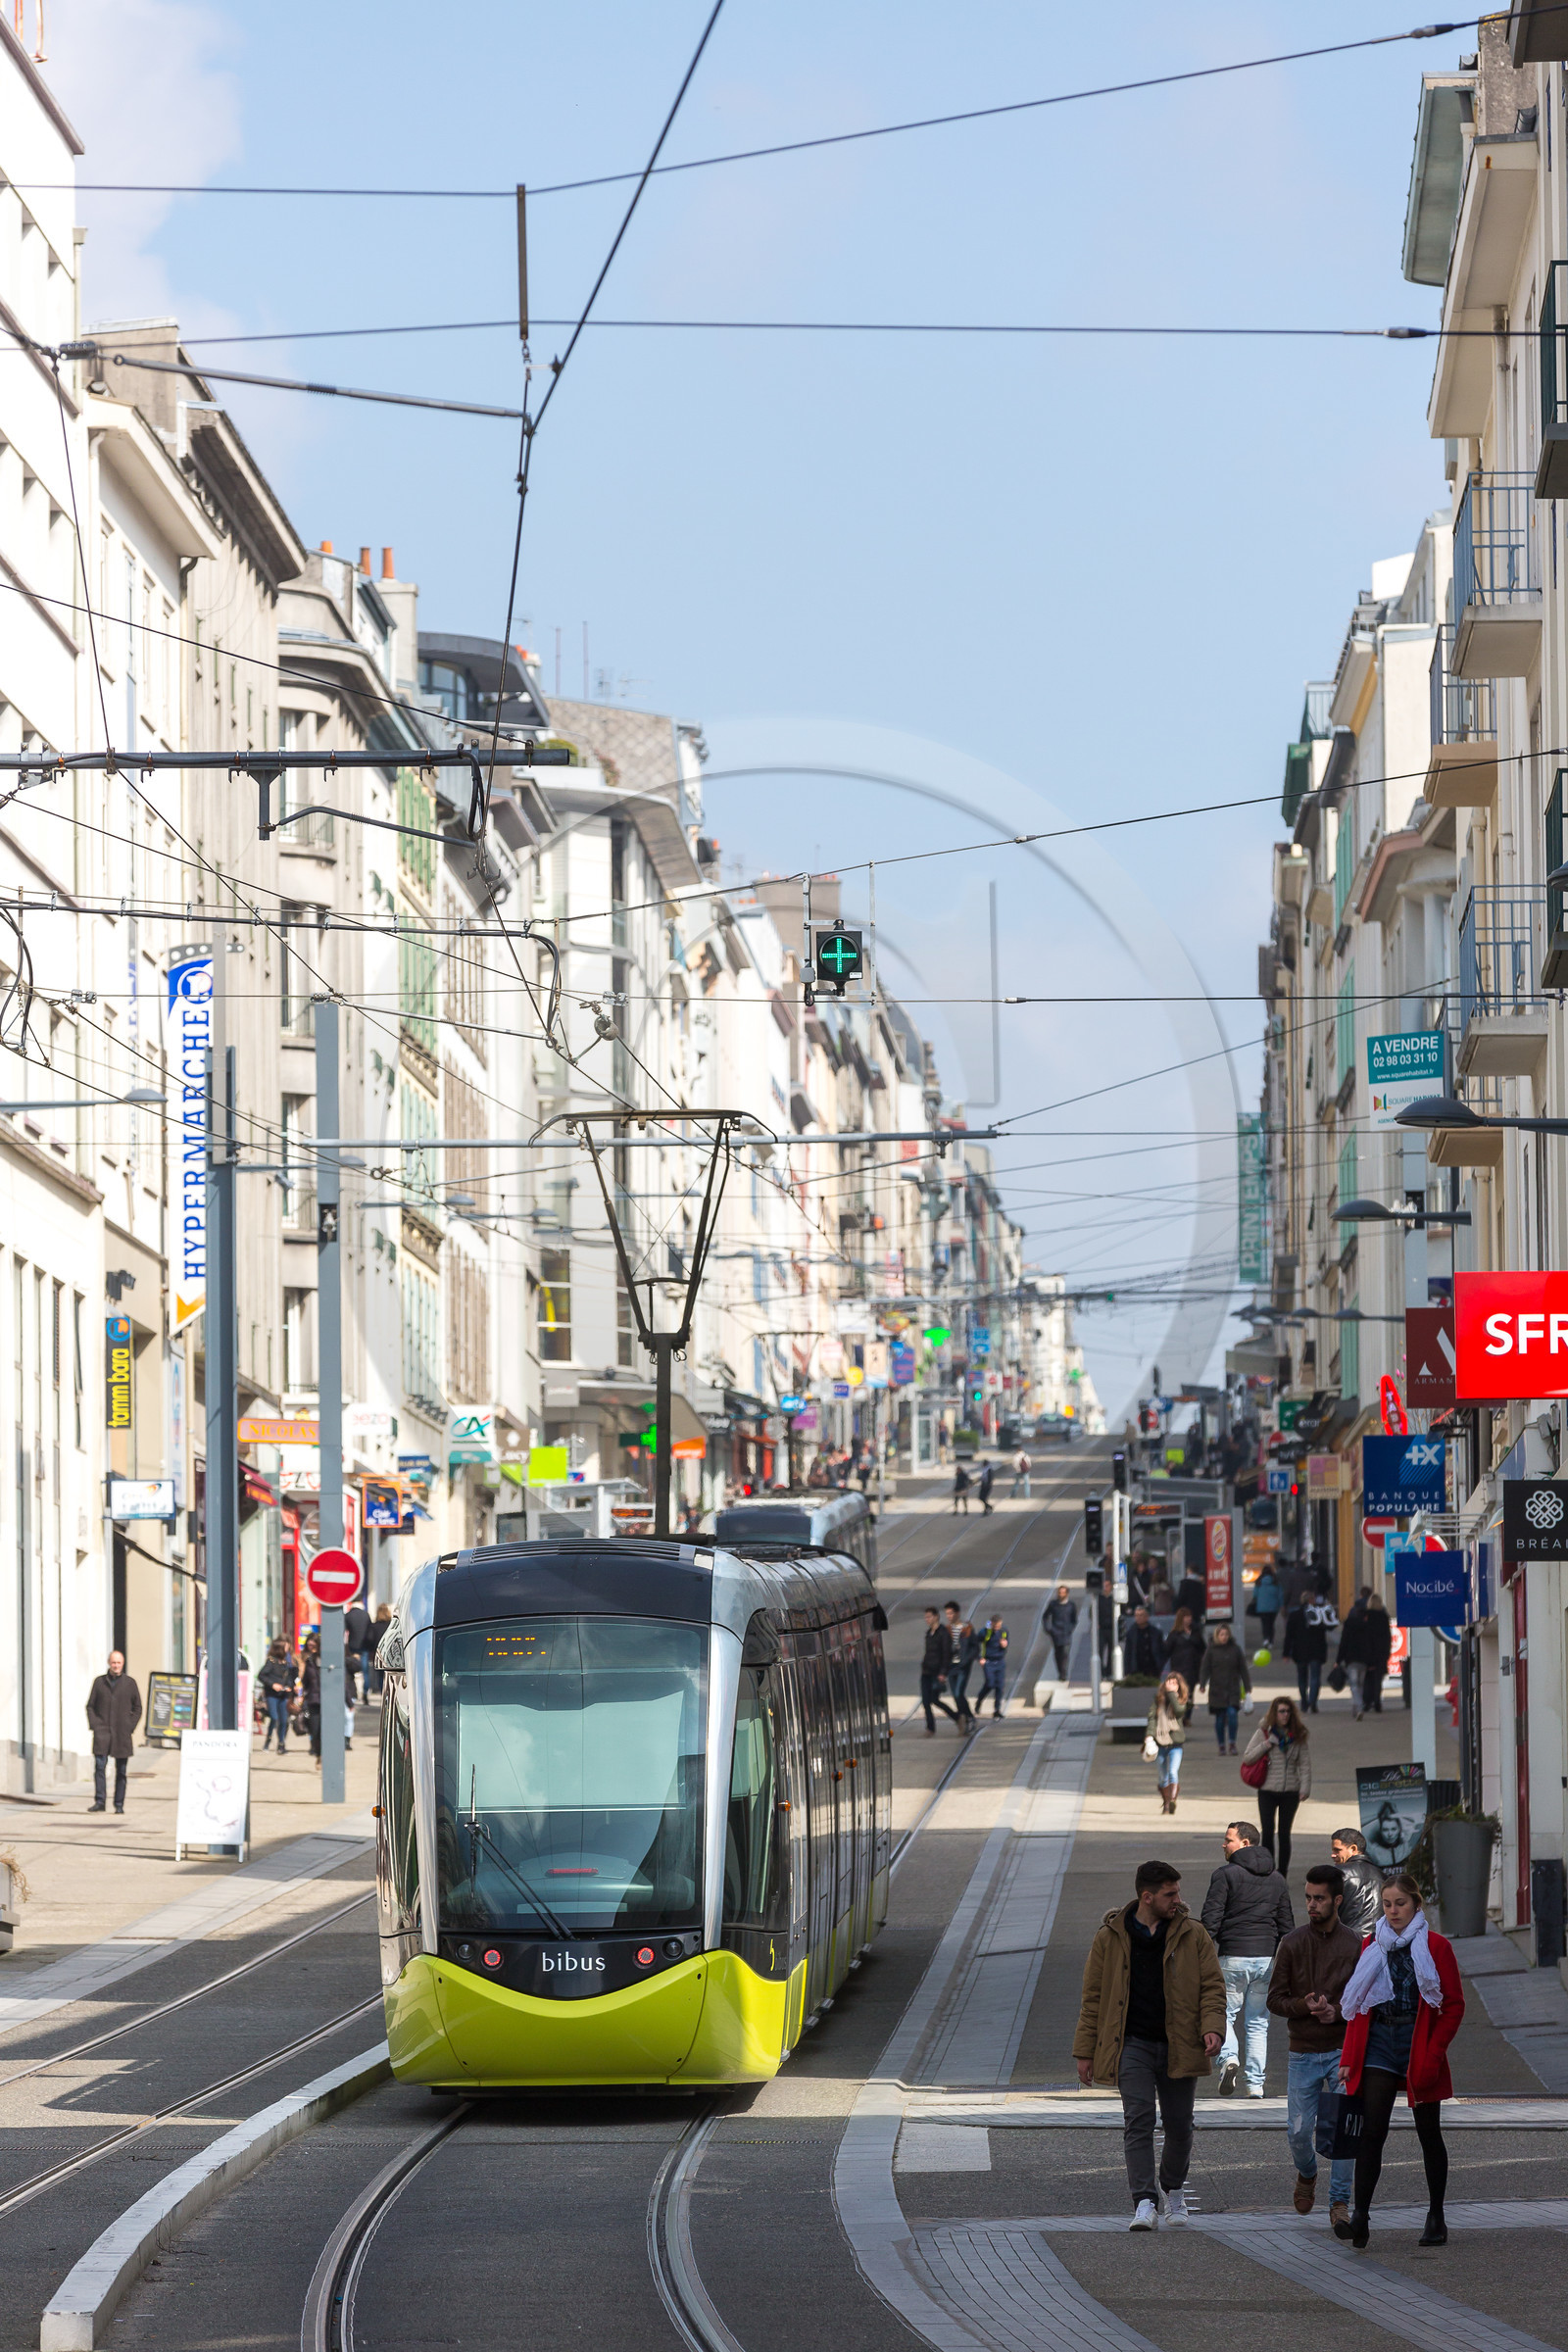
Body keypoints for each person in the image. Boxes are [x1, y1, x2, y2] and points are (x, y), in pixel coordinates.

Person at [1073, 1857, 1225, 2230]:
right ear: (1147, 1896)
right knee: (1137, 2121)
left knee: (1179, 2126)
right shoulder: (1110, 1936)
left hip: (1180, 2043)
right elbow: (1092, 1997)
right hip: (1132, 2045)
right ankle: (1143, 2201)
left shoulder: (1193, 1934)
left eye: (1177, 1892)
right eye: (1170, 1894)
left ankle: (1173, 2188)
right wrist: (1085, 2050)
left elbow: (1212, 1987)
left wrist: (1213, 2028)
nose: (1177, 1899)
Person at [1339, 1872, 1464, 2248]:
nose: (1393, 1911)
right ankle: (1360, 2216)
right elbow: (1359, 2005)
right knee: (1371, 2131)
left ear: (1416, 1904)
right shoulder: (1371, 1945)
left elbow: (1454, 2006)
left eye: (1400, 1904)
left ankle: (1436, 2216)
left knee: (1429, 2134)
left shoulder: (1437, 1947)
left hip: (1418, 2041)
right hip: (1378, 2041)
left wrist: (1434, 2052)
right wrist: (1348, 2056)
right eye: (1387, 1904)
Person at [1267, 1860, 1361, 2234]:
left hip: (1342, 2050)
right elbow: (1274, 1999)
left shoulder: (1355, 1944)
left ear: (1336, 1900)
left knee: (1344, 2132)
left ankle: (1339, 2202)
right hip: (1303, 2050)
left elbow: (1365, 2002)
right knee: (1298, 2131)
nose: (1311, 1905)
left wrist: (1336, 2013)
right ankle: (1307, 2173)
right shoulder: (1292, 1942)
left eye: (1319, 1898)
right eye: (1307, 1897)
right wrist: (1303, 2005)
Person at [1200, 1821, 1293, 2097]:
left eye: (1228, 1840)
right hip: (1266, 1958)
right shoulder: (1277, 1877)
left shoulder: (1225, 1875)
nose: (1223, 1844)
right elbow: (1286, 1924)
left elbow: (1211, 1919)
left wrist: (1200, 1952)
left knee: (1224, 2014)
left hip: (1233, 1956)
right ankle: (1256, 2085)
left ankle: (1228, 2058)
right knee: (1258, 2023)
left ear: (1245, 1843)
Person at [1242, 1695, 1312, 1875]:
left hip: (1290, 1790)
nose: (1285, 1715)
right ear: (1275, 1713)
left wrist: (1305, 1788)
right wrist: (1266, 1744)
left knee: (1284, 1833)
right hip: (1267, 1790)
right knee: (1267, 1831)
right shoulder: (1264, 1732)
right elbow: (1248, 1757)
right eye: (1281, 1711)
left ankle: (1282, 1873)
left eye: (1288, 1711)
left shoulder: (1298, 1735)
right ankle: (1268, 1871)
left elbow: (1304, 1764)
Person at [85, 1649, 142, 1815]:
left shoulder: (130, 1683)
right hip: (102, 1732)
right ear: (109, 1663)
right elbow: (90, 1706)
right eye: (113, 1662)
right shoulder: (99, 1682)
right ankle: (100, 1801)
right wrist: (95, 1725)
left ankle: (119, 1804)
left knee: (121, 1771)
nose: (116, 1666)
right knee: (100, 1767)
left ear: (122, 1664)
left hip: (122, 1734)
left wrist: (130, 1726)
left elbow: (138, 1707)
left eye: (119, 1663)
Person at [1199, 1621, 1250, 1753]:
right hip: (1217, 1690)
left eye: (1226, 1634)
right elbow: (1205, 1668)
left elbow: (1243, 1669)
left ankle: (1232, 1742)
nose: (1224, 1637)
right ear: (1217, 1635)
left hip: (1233, 1688)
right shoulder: (1211, 1650)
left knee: (1232, 1715)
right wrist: (1203, 1684)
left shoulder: (1235, 1649)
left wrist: (1247, 1686)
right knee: (1220, 1719)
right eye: (1222, 1634)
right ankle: (1221, 1744)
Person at [1339, 1590, 1392, 1719]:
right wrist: (1386, 1651)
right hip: (1381, 1652)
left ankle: (1366, 1702)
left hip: (1367, 1652)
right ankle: (1377, 1702)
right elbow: (1387, 1637)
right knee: (1378, 1679)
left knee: (1366, 1680)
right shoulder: (1384, 1617)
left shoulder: (1365, 1618)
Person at [1332, 1827, 1386, 1937]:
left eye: (1337, 1850)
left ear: (1353, 1849)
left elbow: (1325, 1912)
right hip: (1378, 1944)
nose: (1332, 1855)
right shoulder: (1384, 1877)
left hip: (1348, 1943)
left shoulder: (1339, 1873)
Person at [1146, 1673, 1188, 1814]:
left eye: (1175, 1684)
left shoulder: (1181, 1700)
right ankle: (1166, 1803)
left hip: (1175, 1744)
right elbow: (1152, 1718)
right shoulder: (1157, 1701)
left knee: (1173, 1772)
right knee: (1163, 1777)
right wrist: (1149, 1736)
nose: (1171, 1686)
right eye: (1169, 1683)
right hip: (1160, 1743)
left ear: (1179, 1686)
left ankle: (1173, 1801)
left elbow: (1179, 1711)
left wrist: (1171, 1695)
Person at [1283, 1593, 1328, 1714]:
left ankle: (1304, 1702)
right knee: (1315, 1677)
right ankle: (1312, 1701)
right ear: (1311, 1600)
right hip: (1316, 1650)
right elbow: (1325, 1630)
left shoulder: (1295, 1615)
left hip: (1300, 1650)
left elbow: (1289, 1636)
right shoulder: (1319, 1614)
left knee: (1302, 1678)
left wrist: (1286, 1653)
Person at [1160, 1608, 1205, 1725]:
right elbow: (1166, 1651)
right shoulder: (1174, 1634)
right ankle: (1179, 1714)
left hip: (1193, 1667)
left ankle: (1187, 1717)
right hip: (1179, 1668)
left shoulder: (1196, 1632)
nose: (1189, 1619)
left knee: (1189, 1693)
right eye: (1186, 1616)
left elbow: (1202, 1647)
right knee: (1179, 1693)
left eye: (1190, 1616)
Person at [920, 1607, 958, 1735]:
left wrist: (943, 1672)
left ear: (936, 1617)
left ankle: (957, 1717)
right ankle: (930, 1728)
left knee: (934, 1700)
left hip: (937, 1672)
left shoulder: (943, 1633)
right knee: (926, 1701)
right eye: (926, 1617)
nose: (927, 1619)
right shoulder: (928, 1633)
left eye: (929, 1617)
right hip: (926, 1671)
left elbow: (946, 1654)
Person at [258, 1638, 297, 1754]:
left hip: (284, 1694)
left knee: (284, 1720)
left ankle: (281, 1744)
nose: (287, 1649)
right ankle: (268, 1741)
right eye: (285, 1647)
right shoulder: (271, 1662)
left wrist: (290, 1686)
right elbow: (262, 1676)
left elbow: (290, 1678)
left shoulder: (287, 1663)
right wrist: (272, 1684)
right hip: (272, 1694)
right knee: (274, 1717)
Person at [944, 1601, 976, 1728]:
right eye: (947, 1614)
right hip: (951, 1667)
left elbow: (974, 1647)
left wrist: (967, 1659)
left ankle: (968, 1717)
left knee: (958, 1693)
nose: (949, 1616)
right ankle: (966, 1717)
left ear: (957, 1613)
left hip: (963, 1667)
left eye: (951, 1613)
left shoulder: (967, 1628)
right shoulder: (947, 1630)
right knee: (956, 1695)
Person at [1042, 1584, 1078, 1683]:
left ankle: (1064, 1674)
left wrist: (1070, 1628)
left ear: (1067, 1594)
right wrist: (1048, 1629)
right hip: (1056, 1633)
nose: (1060, 1594)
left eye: (1062, 1593)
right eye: (1059, 1592)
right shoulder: (1053, 1604)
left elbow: (1074, 1619)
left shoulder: (1071, 1605)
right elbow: (1045, 1616)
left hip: (1066, 1633)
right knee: (1058, 1654)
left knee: (1065, 1653)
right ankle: (1060, 1672)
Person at [299, 1629, 323, 1767]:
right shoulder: (306, 1660)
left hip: (327, 1700)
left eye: (314, 1642)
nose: (311, 1644)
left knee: (326, 1730)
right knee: (314, 1730)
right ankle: (318, 1752)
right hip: (313, 1700)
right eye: (310, 1641)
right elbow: (305, 1682)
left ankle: (324, 1755)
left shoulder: (323, 1659)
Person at [978, 1614, 1009, 1716]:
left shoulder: (1004, 1632)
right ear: (991, 1624)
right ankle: (979, 1700)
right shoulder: (984, 1633)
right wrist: (980, 1658)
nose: (997, 1628)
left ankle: (997, 1710)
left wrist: (1004, 1645)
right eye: (995, 1626)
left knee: (999, 1686)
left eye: (998, 1626)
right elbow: (975, 1645)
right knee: (990, 1684)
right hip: (989, 1662)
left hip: (1000, 1661)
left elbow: (1006, 1645)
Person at [1122, 1605, 1161, 1678]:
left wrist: (1160, 1665)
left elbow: (1161, 1650)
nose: (1138, 1618)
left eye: (1141, 1615)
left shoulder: (1155, 1633)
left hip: (1152, 1669)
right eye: (1136, 1615)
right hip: (1136, 1670)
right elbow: (1128, 1653)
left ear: (1147, 1617)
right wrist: (1127, 1671)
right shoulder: (1131, 1633)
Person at [1251, 1563, 1283, 1646]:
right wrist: (1281, 1605)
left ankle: (1266, 1639)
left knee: (1264, 1624)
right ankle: (1271, 1641)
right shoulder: (1276, 1582)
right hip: (1273, 1608)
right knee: (1271, 1624)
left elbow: (1255, 1595)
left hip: (1262, 1608)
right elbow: (1280, 1595)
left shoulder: (1258, 1582)